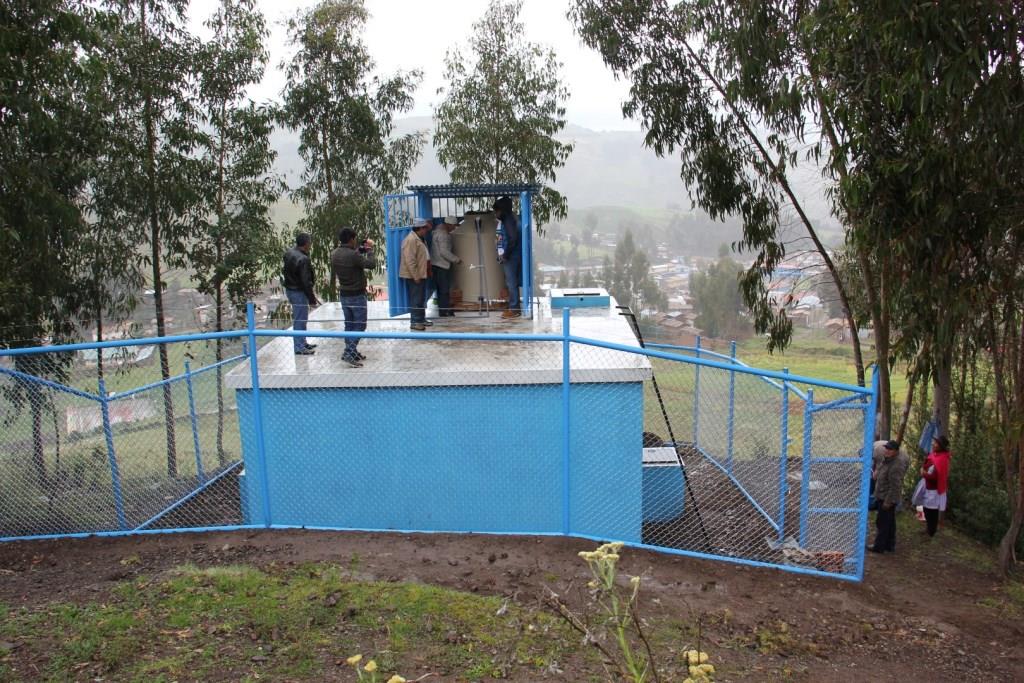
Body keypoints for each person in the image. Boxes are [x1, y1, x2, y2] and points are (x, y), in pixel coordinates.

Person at [331, 227, 376, 368]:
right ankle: (349, 352)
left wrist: (361, 249)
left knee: (349, 325)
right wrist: (370, 250)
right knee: (360, 325)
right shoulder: (353, 255)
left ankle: (352, 350)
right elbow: (371, 264)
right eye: (354, 239)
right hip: (357, 294)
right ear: (351, 239)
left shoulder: (334, 253)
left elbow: (352, 256)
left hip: (344, 294)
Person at [869, 440, 908, 553]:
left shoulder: (896, 465)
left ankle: (879, 546)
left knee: (882, 522)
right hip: (882, 494)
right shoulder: (887, 459)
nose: (887, 450)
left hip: (887, 497)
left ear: (896, 451)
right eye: (886, 448)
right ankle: (889, 545)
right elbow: (881, 469)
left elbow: (895, 486)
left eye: (890, 449)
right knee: (889, 522)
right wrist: (877, 473)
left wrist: (888, 501)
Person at [282, 233, 319, 355]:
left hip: (291, 289)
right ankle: (299, 347)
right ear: (306, 244)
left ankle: (302, 342)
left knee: (301, 318)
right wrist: (312, 299)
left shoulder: (289, 253)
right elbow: (305, 281)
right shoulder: (303, 259)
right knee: (300, 319)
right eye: (310, 243)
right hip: (299, 292)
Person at [400, 218, 431, 331]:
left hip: (421, 273)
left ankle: (421, 319)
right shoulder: (411, 240)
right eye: (425, 228)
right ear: (420, 228)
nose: (426, 230)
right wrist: (415, 276)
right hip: (414, 275)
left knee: (421, 298)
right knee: (416, 299)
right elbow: (410, 260)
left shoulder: (420, 238)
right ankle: (415, 321)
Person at [492, 196, 521, 319]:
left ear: (502, 210)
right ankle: (513, 307)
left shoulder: (508, 220)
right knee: (511, 282)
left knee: (511, 282)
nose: (496, 214)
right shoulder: (508, 219)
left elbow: (512, 239)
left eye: (497, 211)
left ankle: (514, 309)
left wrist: (505, 255)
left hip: (511, 257)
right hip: (510, 255)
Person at [430, 216, 462, 317]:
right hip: (441, 265)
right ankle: (444, 311)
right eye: (453, 226)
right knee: (444, 290)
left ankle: (443, 309)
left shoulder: (437, 231)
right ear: (449, 225)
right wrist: (457, 260)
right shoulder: (444, 235)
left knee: (440, 290)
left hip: (436, 264)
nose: (454, 229)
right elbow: (444, 252)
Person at [921, 435, 952, 537]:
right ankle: (928, 528)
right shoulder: (934, 455)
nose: (933, 444)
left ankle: (931, 531)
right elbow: (927, 465)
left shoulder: (943, 459)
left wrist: (924, 474)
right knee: (926, 509)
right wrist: (924, 467)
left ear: (941, 446)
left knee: (932, 511)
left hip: (934, 489)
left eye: (936, 443)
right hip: (928, 486)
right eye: (934, 442)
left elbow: (937, 476)